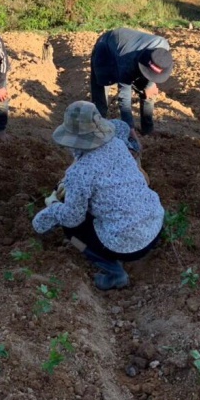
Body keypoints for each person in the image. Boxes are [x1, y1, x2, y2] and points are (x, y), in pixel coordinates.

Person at [32, 101, 164, 291]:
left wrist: (49, 212)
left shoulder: (80, 172)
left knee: (72, 231)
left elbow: (72, 217)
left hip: (127, 245)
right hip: (154, 225)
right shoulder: (118, 145)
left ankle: (114, 273)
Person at [90, 28, 174, 139]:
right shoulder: (127, 62)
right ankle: (99, 129)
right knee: (102, 88)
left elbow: (154, 69)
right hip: (106, 49)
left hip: (134, 53)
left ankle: (147, 130)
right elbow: (124, 97)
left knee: (149, 92)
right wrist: (130, 129)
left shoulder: (163, 50)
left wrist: (150, 84)